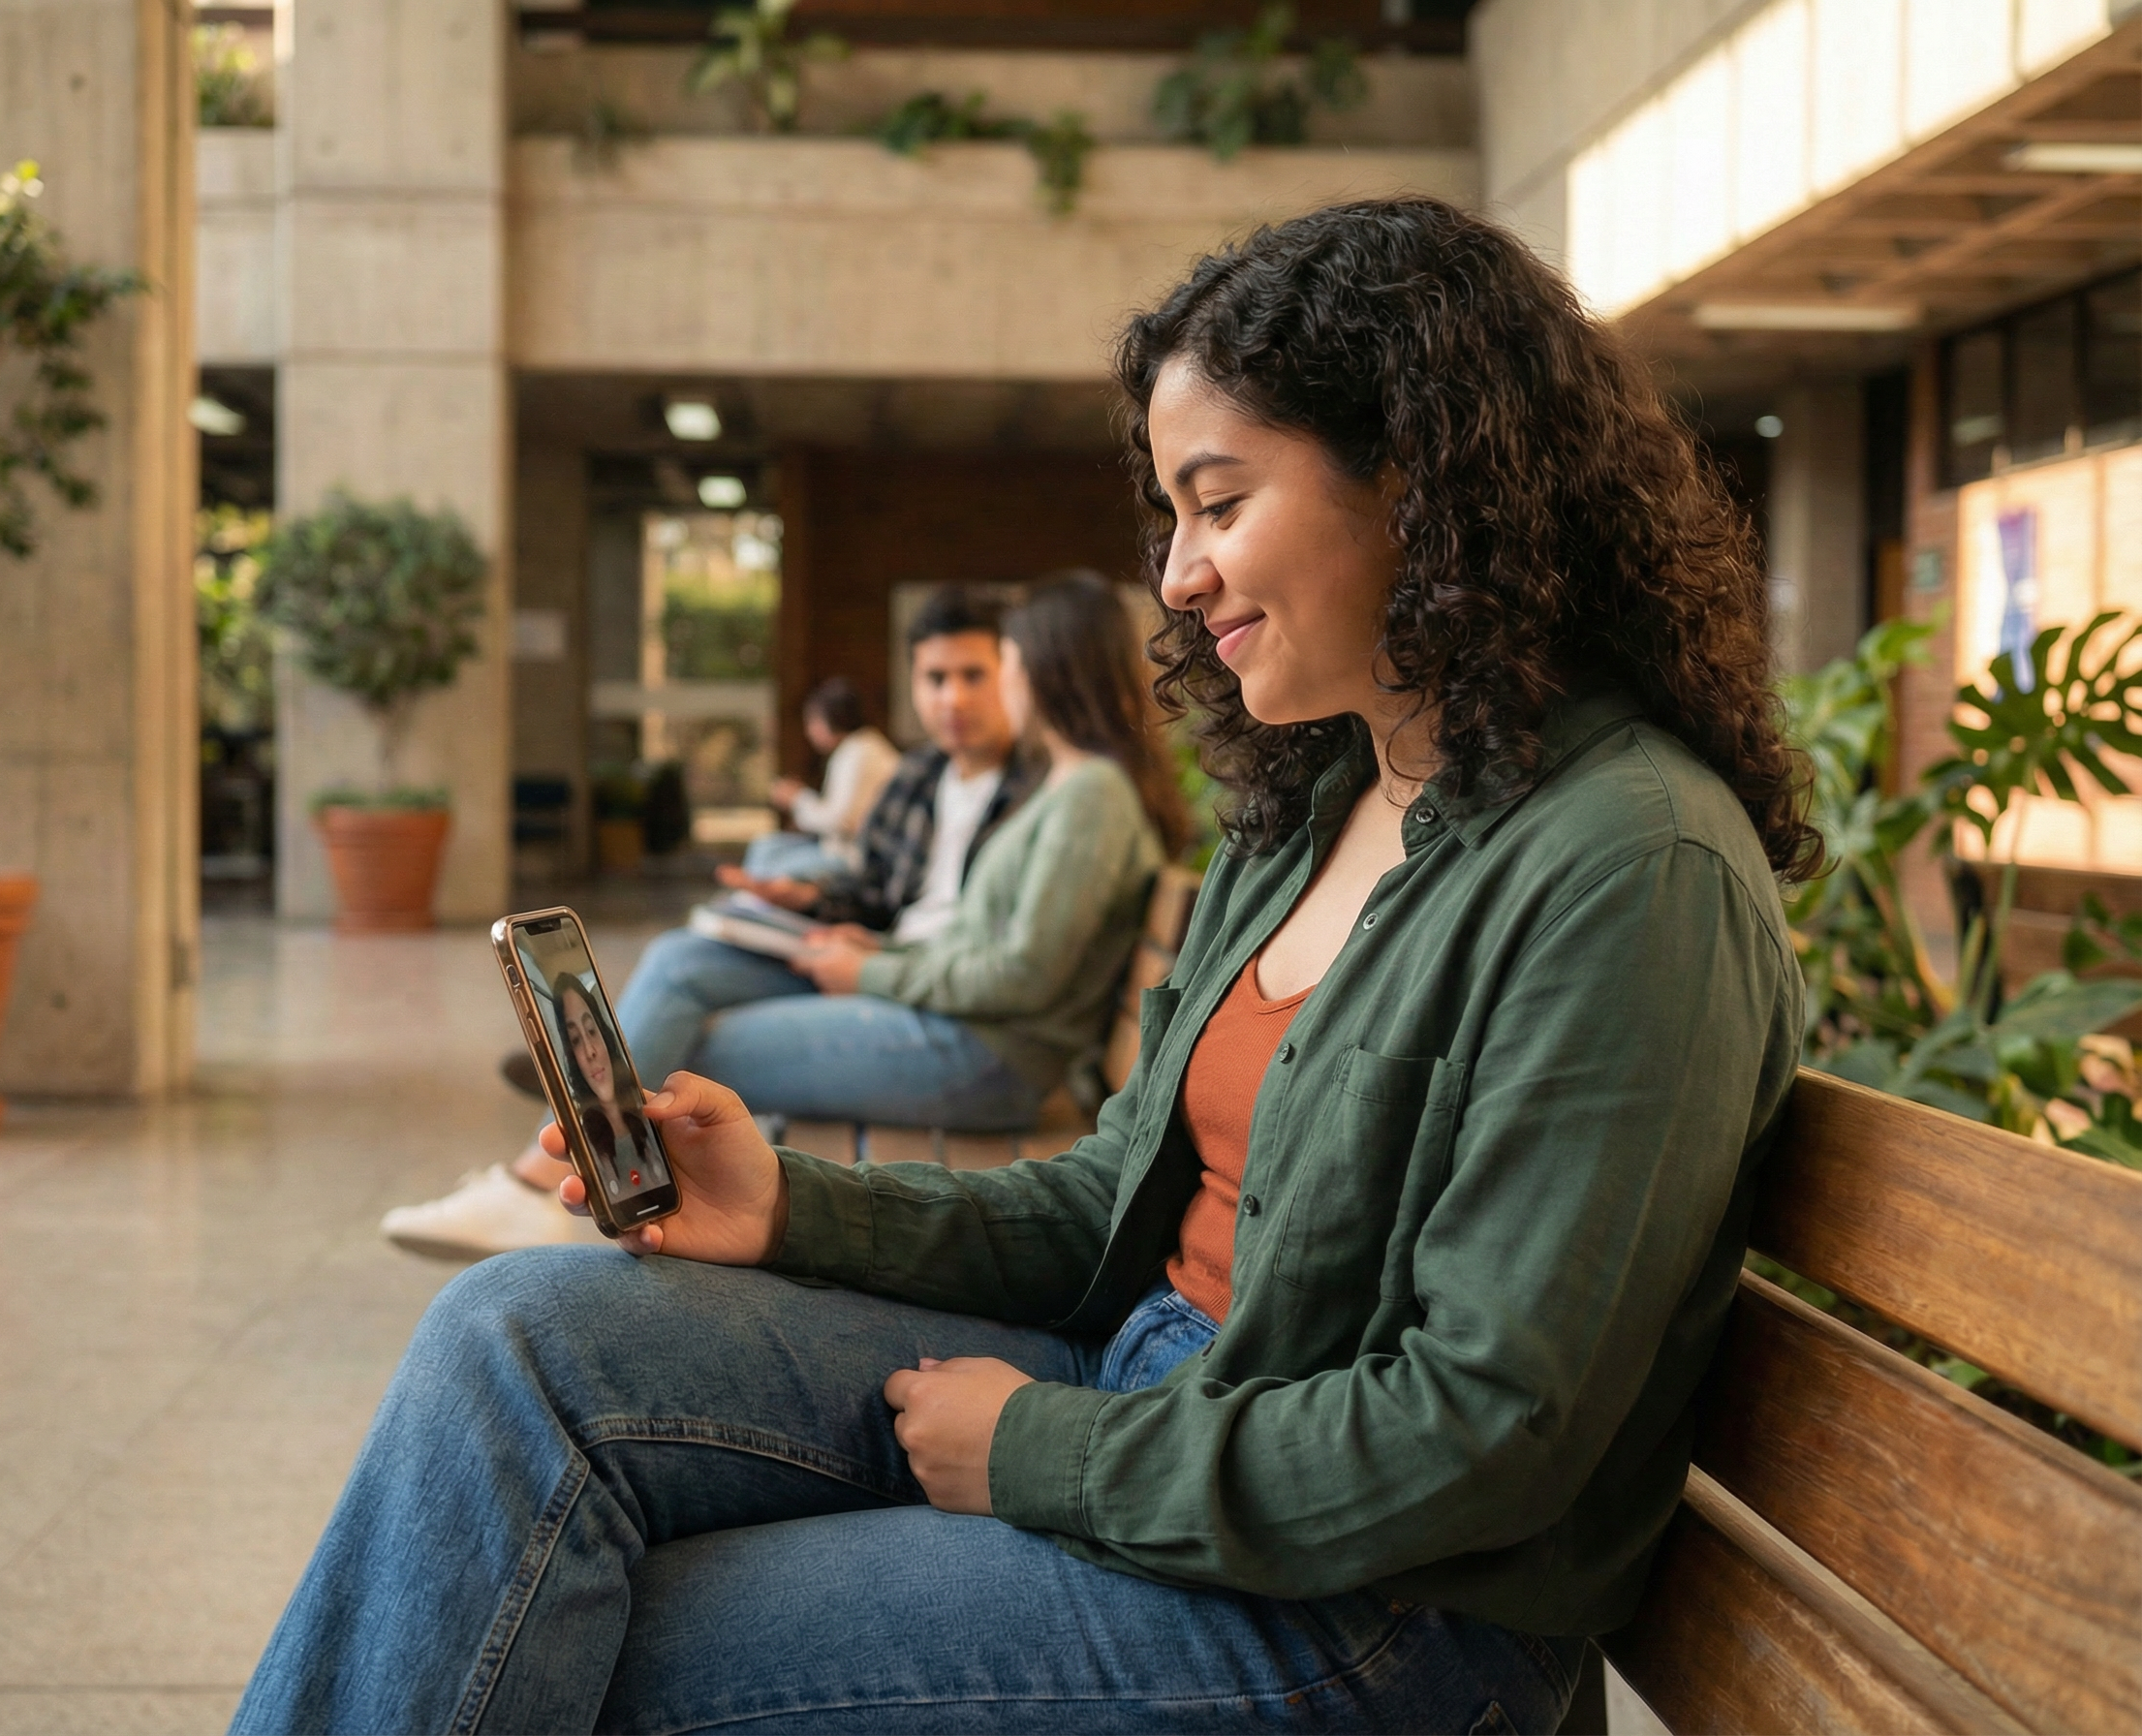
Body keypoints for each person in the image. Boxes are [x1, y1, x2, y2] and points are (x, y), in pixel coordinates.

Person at [237, 198, 1813, 1736]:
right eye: (1169, 517)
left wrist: (1045, 1453)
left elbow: (1481, 1441)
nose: (1178, 577)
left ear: (1423, 479)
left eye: (1221, 500)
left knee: (586, 1631)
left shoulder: (1628, 867)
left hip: (1375, 1623)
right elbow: (1104, 1196)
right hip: (1154, 1395)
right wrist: (785, 1202)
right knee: (509, 1334)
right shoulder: (1317, 800)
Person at [379, 586, 1040, 1260]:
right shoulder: (924, 774)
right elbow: (876, 887)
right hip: (873, 956)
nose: (952, 699)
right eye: (936, 679)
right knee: (679, 957)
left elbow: (1004, 959)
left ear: (1014, 674)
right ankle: (560, 1138)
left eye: (973, 676)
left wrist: (872, 958)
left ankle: (543, 1172)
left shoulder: (1038, 794)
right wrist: (802, 899)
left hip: (918, 994)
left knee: (680, 1049)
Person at [626, 571, 1184, 1132]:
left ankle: (591, 1155)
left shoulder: (1091, 793)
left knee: (687, 1059)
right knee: (677, 1015)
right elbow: (986, 946)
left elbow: (1023, 974)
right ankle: (588, 1150)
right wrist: (883, 956)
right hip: (961, 1031)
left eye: (1002, 663)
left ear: (1044, 670)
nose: (995, 683)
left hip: (984, 1058)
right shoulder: (1075, 785)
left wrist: (871, 973)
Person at [739, 677, 901, 883]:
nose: (809, 731)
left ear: (829, 719)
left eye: (811, 722)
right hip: (840, 849)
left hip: (852, 858)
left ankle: (756, 907)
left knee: (766, 864)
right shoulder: (859, 747)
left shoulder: (858, 752)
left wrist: (797, 799)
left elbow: (840, 820)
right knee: (765, 847)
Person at [549, 973, 666, 1200]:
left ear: (605, 1035)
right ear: (571, 1056)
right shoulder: (585, 1143)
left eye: (592, 1031)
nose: (591, 1051)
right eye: (575, 1040)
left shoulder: (652, 1118)